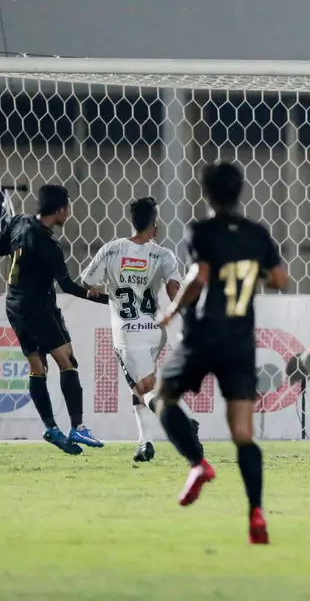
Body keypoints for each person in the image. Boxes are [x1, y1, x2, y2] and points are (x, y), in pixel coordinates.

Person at [154, 162, 289, 544]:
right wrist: (253, 273)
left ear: (207, 193)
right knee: (244, 433)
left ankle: (198, 465)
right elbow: (280, 279)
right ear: (240, 191)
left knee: (161, 397)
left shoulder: (201, 230)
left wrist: (171, 311)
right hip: (239, 342)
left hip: (202, 336)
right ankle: (257, 514)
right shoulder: (258, 234)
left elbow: (199, 277)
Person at [0, 184, 110, 454]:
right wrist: (107, 299)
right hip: (38, 307)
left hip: (15, 304)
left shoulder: (19, 221)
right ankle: (77, 427)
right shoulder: (49, 245)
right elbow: (68, 286)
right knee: (67, 360)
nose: (70, 212)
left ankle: (51, 427)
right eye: (68, 207)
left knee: (37, 365)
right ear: (60, 209)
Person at [79, 196, 196, 463]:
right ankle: (144, 444)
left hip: (127, 333)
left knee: (145, 389)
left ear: (132, 221)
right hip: (154, 331)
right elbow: (174, 288)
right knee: (139, 387)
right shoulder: (162, 254)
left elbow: (87, 282)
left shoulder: (111, 250)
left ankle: (186, 421)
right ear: (154, 224)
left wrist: (109, 292)